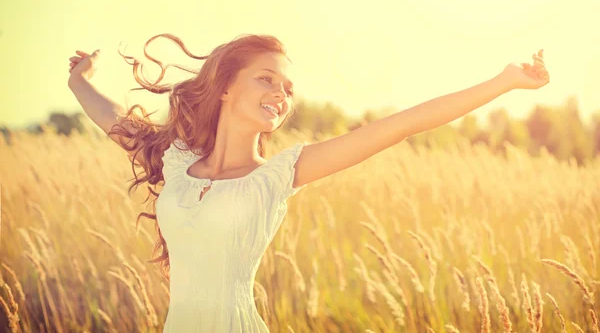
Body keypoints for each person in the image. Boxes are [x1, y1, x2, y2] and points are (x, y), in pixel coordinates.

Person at [67, 33, 550, 332]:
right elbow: (116, 120)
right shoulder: (177, 161)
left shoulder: (278, 175)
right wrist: (78, 82)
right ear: (228, 87)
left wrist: (503, 81)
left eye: (288, 89)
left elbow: (401, 124)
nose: (281, 94)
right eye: (267, 80)